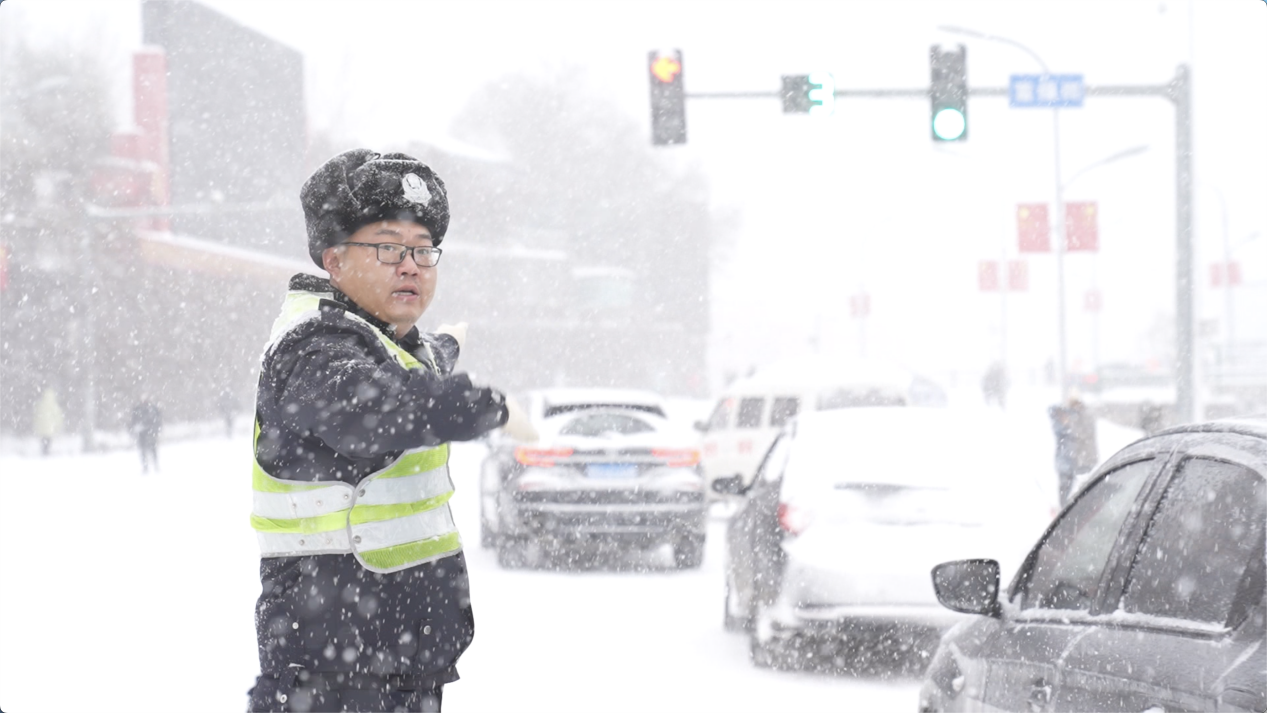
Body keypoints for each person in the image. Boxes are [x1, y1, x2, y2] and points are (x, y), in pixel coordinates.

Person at [247, 150, 529, 713]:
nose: (411, 265)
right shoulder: (311, 347)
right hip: (331, 680)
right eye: (387, 247)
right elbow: (370, 406)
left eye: (424, 250)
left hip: (397, 669)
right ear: (333, 259)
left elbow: (399, 376)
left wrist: (443, 350)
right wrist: (480, 405)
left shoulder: (386, 343)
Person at [1047, 395, 1098, 505]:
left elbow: (1083, 433)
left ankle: (1069, 511)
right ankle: (1064, 511)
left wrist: (1070, 421)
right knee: (1065, 492)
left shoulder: (1082, 418)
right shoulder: (1062, 426)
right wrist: (1062, 415)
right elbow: (1051, 411)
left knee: (1082, 491)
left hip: (1082, 461)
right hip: (1066, 463)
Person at [129, 395, 163, 473]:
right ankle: (145, 467)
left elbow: (157, 420)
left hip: (151, 433)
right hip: (142, 434)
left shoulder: (152, 409)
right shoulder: (137, 409)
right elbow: (133, 421)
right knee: (143, 451)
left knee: (153, 450)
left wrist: (156, 429)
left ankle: (155, 465)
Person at [32, 387, 64, 456]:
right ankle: (47, 451)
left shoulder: (40, 404)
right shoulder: (54, 405)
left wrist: (36, 425)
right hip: (50, 427)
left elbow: (36, 416)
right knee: (48, 440)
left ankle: (44, 451)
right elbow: (58, 416)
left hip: (41, 428)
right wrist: (58, 425)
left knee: (43, 439)